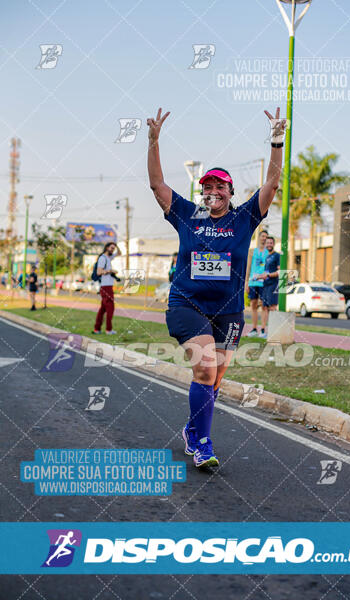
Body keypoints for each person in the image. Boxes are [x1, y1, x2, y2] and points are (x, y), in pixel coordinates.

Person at [147, 107, 286, 468]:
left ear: (230, 191)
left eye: (219, 186)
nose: (212, 191)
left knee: (215, 378)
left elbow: (272, 184)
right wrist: (154, 141)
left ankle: (193, 430)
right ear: (202, 192)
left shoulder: (245, 217)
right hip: (186, 305)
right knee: (206, 368)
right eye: (206, 187)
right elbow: (157, 186)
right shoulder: (188, 215)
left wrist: (276, 141)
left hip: (227, 311)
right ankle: (204, 445)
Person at [93, 242, 121, 335]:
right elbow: (99, 272)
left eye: (113, 248)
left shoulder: (109, 258)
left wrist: (117, 246)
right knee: (110, 308)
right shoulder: (103, 258)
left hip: (107, 286)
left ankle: (97, 329)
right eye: (111, 248)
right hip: (105, 287)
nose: (112, 250)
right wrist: (110, 271)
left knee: (103, 309)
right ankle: (109, 330)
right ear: (106, 248)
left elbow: (119, 253)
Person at [245, 230, 269, 338]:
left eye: (266, 237)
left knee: (264, 306)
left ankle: (263, 330)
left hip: (264, 283)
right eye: (263, 236)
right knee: (253, 305)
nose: (264, 238)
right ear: (259, 237)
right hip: (253, 282)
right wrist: (246, 282)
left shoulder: (269, 252)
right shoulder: (252, 251)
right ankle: (254, 329)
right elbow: (248, 267)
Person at [255, 236, 280, 322]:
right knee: (265, 307)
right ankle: (265, 330)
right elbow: (266, 272)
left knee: (272, 307)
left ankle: (275, 329)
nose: (269, 245)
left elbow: (280, 272)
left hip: (273, 284)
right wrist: (258, 276)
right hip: (265, 285)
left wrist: (268, 275)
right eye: (267, 243)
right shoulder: (267, 256)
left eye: (271, 243)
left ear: (274, 244)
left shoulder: (277, 255)